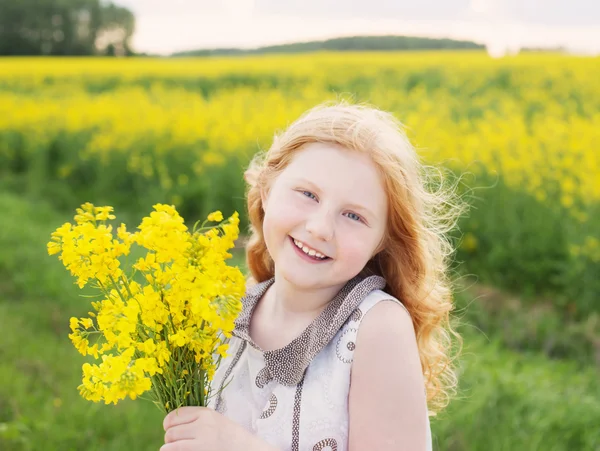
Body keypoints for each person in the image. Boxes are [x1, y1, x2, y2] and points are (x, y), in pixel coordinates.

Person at [161, 101, 465, 451]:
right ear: (267, 189)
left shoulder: (376, 328)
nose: (320, 228)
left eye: (353, 216)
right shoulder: (226, 312)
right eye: (308, 194)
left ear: (383, 240)